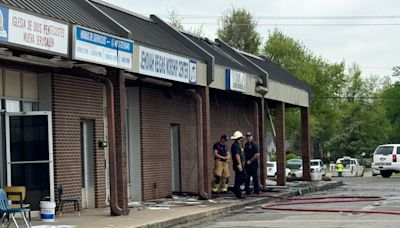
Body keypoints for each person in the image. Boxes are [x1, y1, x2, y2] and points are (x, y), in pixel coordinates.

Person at [230, 130, 247, 199]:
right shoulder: (235, 146)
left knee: (240, 178)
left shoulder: (237, 145)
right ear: (238, 138)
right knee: (243, 177)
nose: (241, 140)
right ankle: (236, 190)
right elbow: (237, 155)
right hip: (237, 165)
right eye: (241, 138)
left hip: (238, 164)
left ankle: (237, 190)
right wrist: (239, 164)